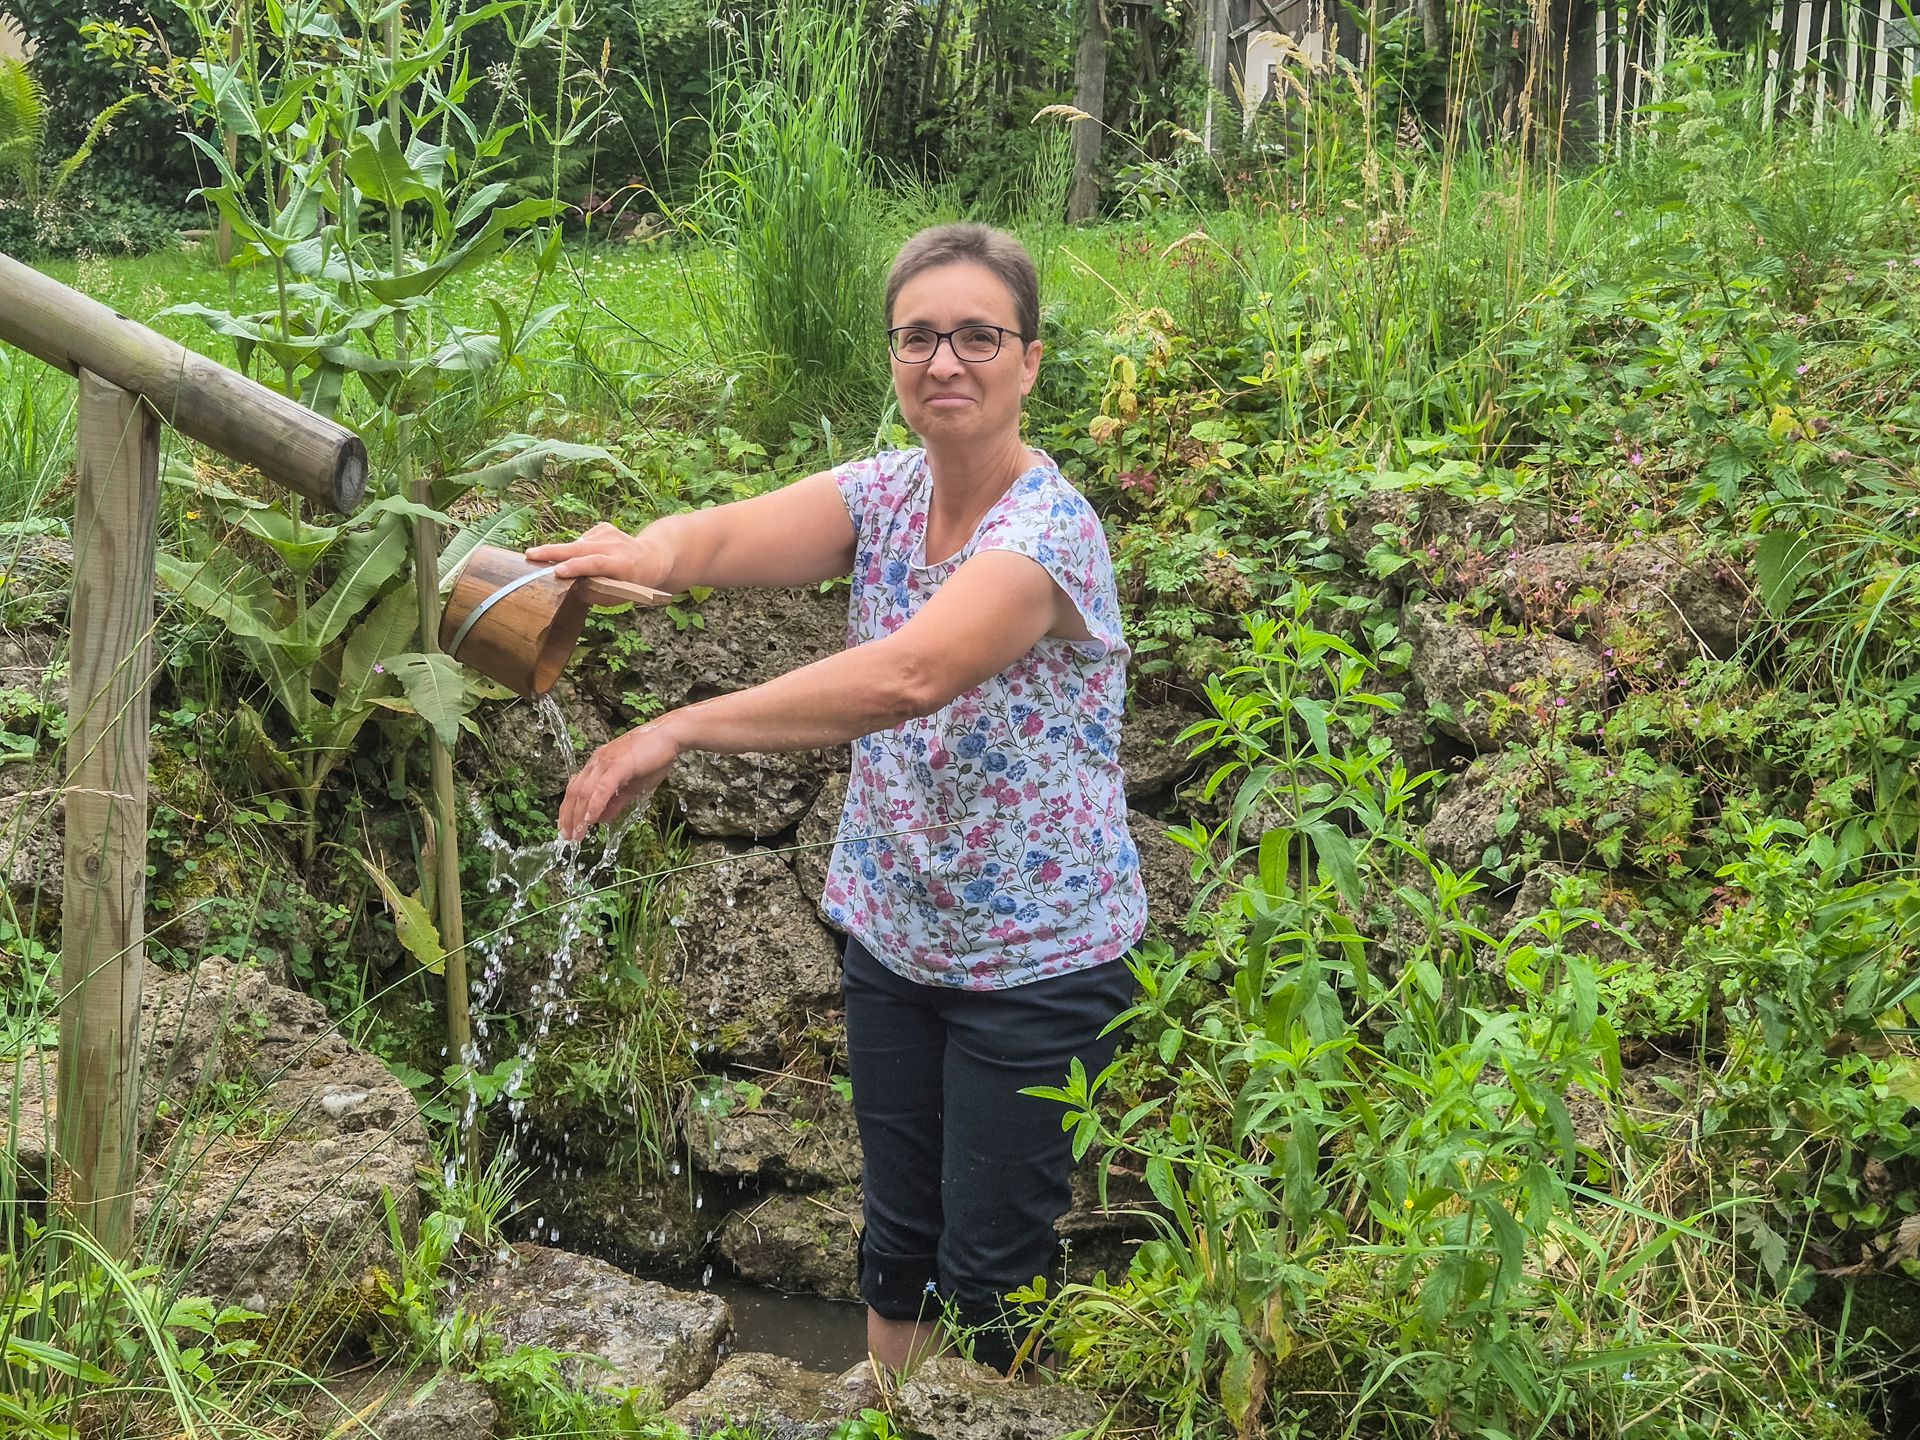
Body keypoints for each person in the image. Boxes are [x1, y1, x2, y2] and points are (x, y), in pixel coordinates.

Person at [529, 222, 1146, 1373]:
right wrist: (645, 551)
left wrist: (673, 728)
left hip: (1037, 965)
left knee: (993, 1275)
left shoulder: (1047, 532)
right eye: (919, 336)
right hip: (896, 934)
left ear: (1030, 361)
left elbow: (904, 676)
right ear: (894, 356)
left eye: (977, 335)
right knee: (898, 1245)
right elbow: (720, 538)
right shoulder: (887, 493)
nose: (944, 361)